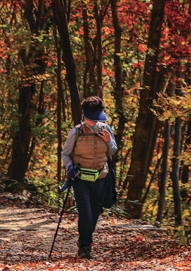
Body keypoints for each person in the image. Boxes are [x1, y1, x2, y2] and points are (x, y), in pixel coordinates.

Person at [61, 96, 117, 259]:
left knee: (94, 211)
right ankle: (85, 246)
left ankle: (84, 241)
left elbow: (113, 151)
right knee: (85, 212)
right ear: (85, 116)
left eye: (96, 119)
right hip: (80, 179)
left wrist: (108, 141)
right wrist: (70, 167)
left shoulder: (106, 130)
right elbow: (65, 154)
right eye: (91, 119)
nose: (94, 123)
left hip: (100, 177)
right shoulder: (76, 132)